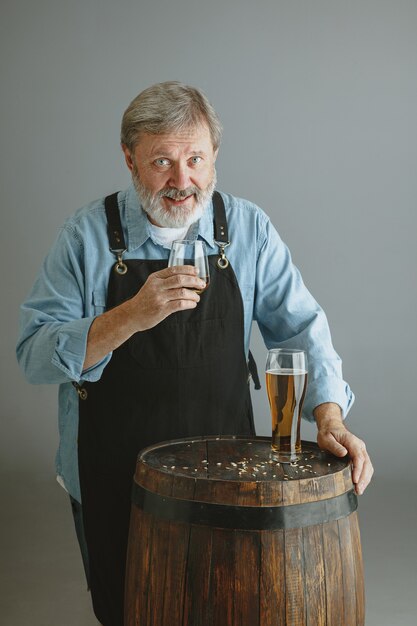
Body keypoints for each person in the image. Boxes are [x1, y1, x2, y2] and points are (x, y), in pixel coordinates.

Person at [16, 81, 373, 626]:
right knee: (131, 610)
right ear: (129, 159)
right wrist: (129, 316)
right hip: (116, 473)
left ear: (214, 158)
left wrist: (329, 414)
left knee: (229, 609)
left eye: (195, 159)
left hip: (231, 478)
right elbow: (33, 355)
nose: (182, 181)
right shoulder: (85, 237)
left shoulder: (248, 229)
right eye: (162, 160)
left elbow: (301, 327)